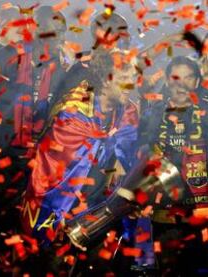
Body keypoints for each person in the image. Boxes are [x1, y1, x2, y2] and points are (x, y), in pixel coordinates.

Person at [21, 48, 139, 251]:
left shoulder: (127, 112)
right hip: (59, 206)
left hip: (98, 209)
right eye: (124, 78)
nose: (131, 85)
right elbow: (51, 175)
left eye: (134, 77)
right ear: (105, 79)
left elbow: (127, 158)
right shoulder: (73, 113)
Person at [138, 56, 208, 276]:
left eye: (188, 78)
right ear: (168, 81)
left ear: (196, 82)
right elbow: (140, 158)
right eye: (176, 77)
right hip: (165, 211)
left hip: (203, 210)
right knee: (169, 269)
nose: (182, 84)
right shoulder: (153, 113)